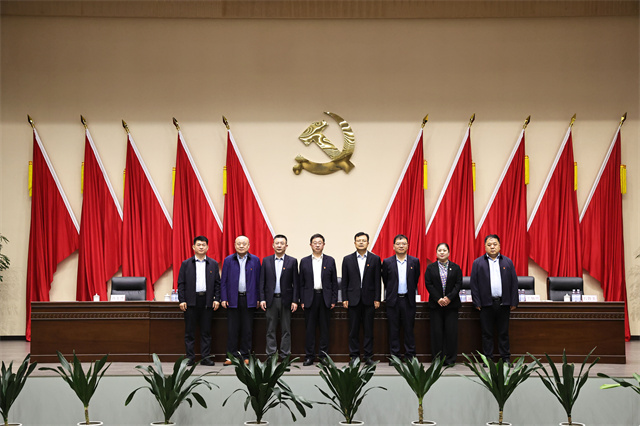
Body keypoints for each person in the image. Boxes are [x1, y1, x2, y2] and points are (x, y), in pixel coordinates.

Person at [470, 234, 518, 363]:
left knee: (503, 333)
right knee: (487, 333)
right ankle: (488, 359)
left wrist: (513, 302)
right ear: (485, 247)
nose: (492, 247)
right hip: (486, 304)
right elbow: (474, 284)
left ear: (499, 246)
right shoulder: (478, 263)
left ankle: (505, 358)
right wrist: (477, 302)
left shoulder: (507, 262)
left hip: (503, 303)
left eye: (495, 244)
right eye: (489, 245)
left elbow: (514, 283)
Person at [177, 235, 221, 366]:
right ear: (193, 247)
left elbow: (217, 284)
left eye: (203, 245)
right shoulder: (186, 264)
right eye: (198, 245)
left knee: (206, 332)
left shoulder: (213, 263)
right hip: (190, 301)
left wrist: (217, 299)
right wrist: (182, 300)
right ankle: (190, 358)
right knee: (189, 332)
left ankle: (205, 358)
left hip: (207, 301)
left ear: (207, 247)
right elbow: (181, 283)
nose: (201, 247)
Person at [342, 232, 381, 365]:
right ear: (355, 243)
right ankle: (354, 356)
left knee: (368, 330)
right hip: (353, 300)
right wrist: (345, 298)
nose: (361, 243)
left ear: (367, 243)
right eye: (358, 241)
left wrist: (377, 298)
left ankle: (368, 356)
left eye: (363, 241)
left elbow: (377, 280)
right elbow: (345, 281)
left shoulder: (375, 259)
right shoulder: (347, 259)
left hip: (369, 300)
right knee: (353, 330)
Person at [299, 233, 338, 366]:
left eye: (319, 243)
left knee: (325, 329)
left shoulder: (330, 260)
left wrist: (333, 299)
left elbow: (334, 282)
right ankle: (309, 356)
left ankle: (323, 356)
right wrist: (302, 300)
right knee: (309, 329)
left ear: (323, 245)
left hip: (325, 298)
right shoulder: (304, 261)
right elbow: (301, 283)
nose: (317, 245)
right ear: (310, 245)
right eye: (315, 243)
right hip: (309, 298)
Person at [221, 235, 261, 365]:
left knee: (247, 329)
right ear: (235, 245)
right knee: (232, 329)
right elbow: (223, 281)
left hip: (249, 299)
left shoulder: (255, 260)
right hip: (233, 299)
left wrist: (259, 298)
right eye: (239, 243)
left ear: (249, 245)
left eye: (244, 243)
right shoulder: (228, 260)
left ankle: (245, 356)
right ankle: (230, 357)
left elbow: (259, 281)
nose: (241, 246)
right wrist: (224, 298)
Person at [259, 234, 299, 361]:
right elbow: (262, 281)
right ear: (273, 245)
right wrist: (262, 298)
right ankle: (271, 356)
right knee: (270, 329)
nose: (279, 245)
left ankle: (285, 356)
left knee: (286, 329)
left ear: (286, 246)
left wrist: (295, 300)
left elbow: (296, 283)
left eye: (282, 243)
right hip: (270, 300)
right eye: (277, 243)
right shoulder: (266, 261)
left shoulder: (292, 261)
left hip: (286, 300)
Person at [381, 234, 420, 364]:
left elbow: (415, 279)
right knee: (393, 329)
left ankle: (410, 356)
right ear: (393, 246)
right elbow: (386, 280)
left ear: (408, 246)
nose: (401, 246)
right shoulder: (387, 262)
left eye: (403, 244)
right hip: (393, 300)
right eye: (398, 244)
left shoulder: (414, 261)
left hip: (408, 300)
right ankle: (395, 357)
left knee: (409, 329)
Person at [424, 242, 462, 366]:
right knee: (437, 333)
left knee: (451, 333)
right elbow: (428, 284)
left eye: (444, 250)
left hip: (452, 305)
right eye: (439, 250)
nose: (442, 252)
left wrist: (448, 298)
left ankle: (450, 359)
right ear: (436, 253)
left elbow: (458, 284)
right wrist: (438, 299)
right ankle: (437, 359)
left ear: (449, 253)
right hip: (436, 305)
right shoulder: (431, 268)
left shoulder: (456, 267)